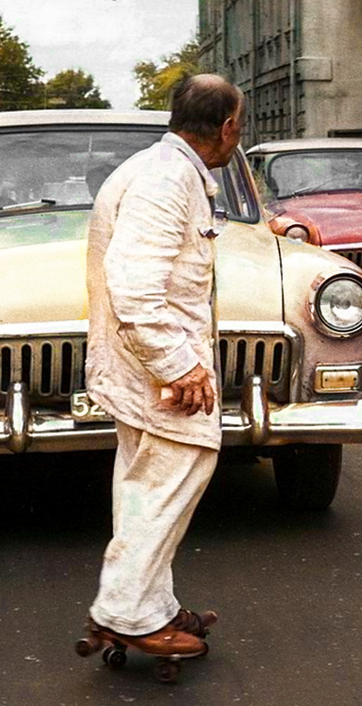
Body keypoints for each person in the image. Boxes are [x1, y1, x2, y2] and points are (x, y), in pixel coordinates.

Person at [82, 74, 244, 659]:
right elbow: (133, 288)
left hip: (140, 365)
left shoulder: (162, 168)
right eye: (238, 125)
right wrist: (179, 367)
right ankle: (126, 613)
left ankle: (149, 604)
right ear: (226, 127)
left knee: (145, 485)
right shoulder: (165, 180)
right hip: (157, 372)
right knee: (171, 481)